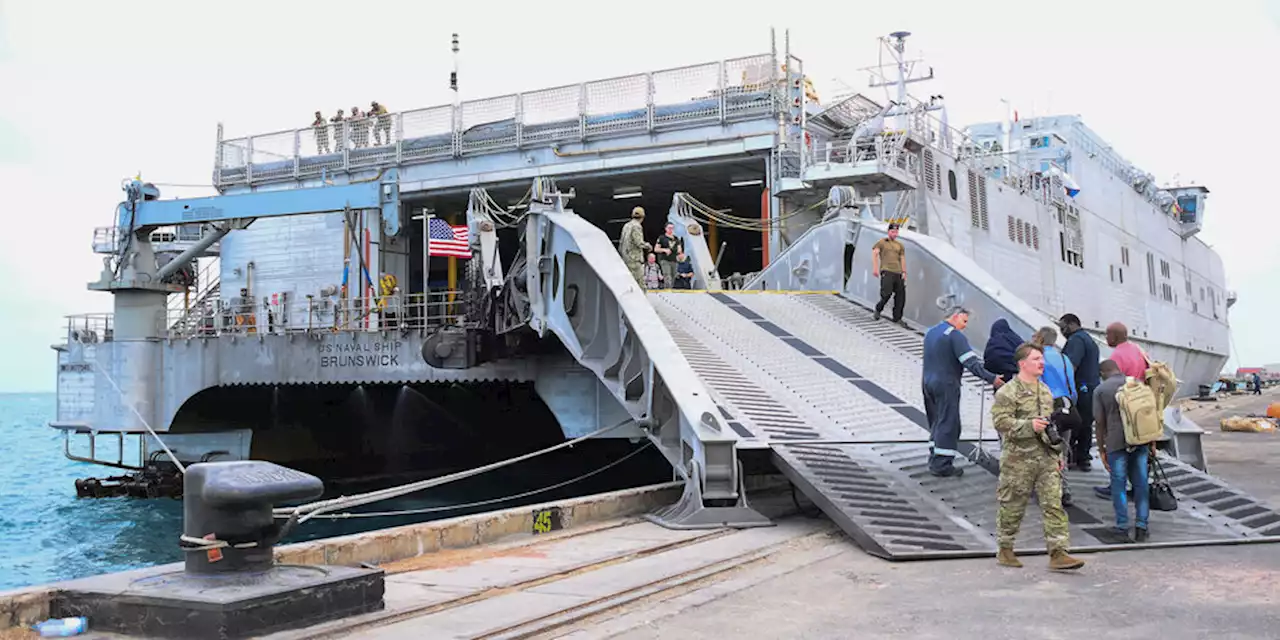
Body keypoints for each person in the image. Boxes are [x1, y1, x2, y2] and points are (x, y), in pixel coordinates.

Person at [991, 343, 1084, 570]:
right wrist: (1028, 425)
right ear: (1022, 363)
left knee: (1053, 504)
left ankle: (1058, 552)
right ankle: (1005, 549)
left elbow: (1050, 424)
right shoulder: (1008, 392)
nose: (1041, 363)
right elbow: (1001, 422)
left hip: (1046, 457)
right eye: (1036, 359)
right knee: (1012, 505)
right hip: (1018, 460)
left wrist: (1057, 453)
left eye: (1041, 359)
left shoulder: (1045, 390)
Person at [922, 308, 1004, 477]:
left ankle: (934, 457)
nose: (965, 326)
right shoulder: (955, 336)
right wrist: (992, 378)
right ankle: (942, 465)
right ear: (955, 317)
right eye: (964, 321)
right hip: (946, 384)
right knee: (949, 423)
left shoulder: (931, 332)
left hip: (927, 382)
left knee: (936, 421)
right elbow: (971, 362)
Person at [1094, 359, 1151, 543]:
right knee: (1141, 484)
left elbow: (1100, 423)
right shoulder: (1138, 384)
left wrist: (1102, 449)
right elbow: (1150, 415)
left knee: (1118, 486)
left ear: (1102, 373)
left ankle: (1122, 527)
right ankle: (1142, 526)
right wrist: (1153, 443)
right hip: (1141, 440)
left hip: (1116, 443)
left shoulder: (1101, 390)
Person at [1031, 326, 1079, 506]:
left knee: (1043, 450)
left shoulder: (1038, 358)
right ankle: (1065, 490)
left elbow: (1037, 384)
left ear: (1041, 339)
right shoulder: (1064, 358)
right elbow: (1072, 387)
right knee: (1062, 450)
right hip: (1066, 405)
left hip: (1048, 407)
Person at [1060, 313, 1100, 472]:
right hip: (1091, 388)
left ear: (1071, 324)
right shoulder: (1088, 339)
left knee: (1075, 422)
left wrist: (1065, 387)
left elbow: (1071, 366)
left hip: (1081, 388)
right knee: (1086, 423)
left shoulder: (1076, 340)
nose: (1062, 331)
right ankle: (1083, 457)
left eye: (1063, 327)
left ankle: (1073, 456)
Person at [872, 223, 908, 326]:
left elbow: (902, 259)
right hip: (887, 271)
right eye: (893, 231)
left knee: (901, 296)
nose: (895, 234)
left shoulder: (900, 245)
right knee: (886, 294)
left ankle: (897, 318)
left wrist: (904, 272)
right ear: (888, 232)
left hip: (898, 272)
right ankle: (878, 309)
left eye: (896, 232)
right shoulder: (882, 242)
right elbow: (875, 253)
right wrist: (875, 268)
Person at [984, 319, 1024, 383]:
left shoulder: (993, 339)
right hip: (1012, 367)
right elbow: (1024, 349)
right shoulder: (1014, 337)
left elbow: (986, 355)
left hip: (991, 368)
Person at [619, 207, 651, 286]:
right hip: (634, 259)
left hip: (625, 258)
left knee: (628, 282)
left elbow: (621, 242)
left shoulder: (626, 225)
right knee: (640, 284)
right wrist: (648, 246)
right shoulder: (637, 226)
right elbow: (639, 242)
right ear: (642, 217)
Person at [654, 223, 682, 289]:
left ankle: (670, 289)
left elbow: (679, 249)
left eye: (672, 228)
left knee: (673, 275)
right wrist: (664, 250)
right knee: (667, 275)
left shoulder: (676, 238)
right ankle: (667, 289)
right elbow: (656, 249)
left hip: (674, 260)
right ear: (666, 229)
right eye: (669, 228)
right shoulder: (662, 238)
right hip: (664, 259)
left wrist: (679, 252)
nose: (671, 230)